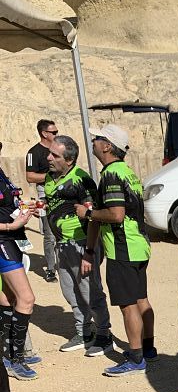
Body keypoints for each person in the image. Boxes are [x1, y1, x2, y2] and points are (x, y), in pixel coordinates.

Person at [77, 124, 155, 377]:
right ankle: (147, 348)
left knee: (127, 304)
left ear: (108, 146)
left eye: (97, 139)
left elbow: (115, 214)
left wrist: (87, 212)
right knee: (141, 298)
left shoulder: (111, 174)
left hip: (123, 247)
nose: (94, 142)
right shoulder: (126, 171)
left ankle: (135, 358)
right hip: (138, 245)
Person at [44, 135, 112, 355]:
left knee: (90, 290)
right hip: (62, 244)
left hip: (81, 243)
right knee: (70, 290)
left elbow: (93, 217)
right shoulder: (49, 177)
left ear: (69, 160)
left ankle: (104, 334)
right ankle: (84, 332)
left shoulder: (81, 179)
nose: (49, 157)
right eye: (50, 153)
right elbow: (55, 203)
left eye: (55, 155)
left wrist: (89, 253)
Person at [0, 159, 37, 381]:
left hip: (13, 239)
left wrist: (23, 209)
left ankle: (8, 355)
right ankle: (16, 358)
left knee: (8, 298)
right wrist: (9, 226)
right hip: (3, 240)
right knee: (27, 299)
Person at [25, 118, 59, 281]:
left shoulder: (59, 148)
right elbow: (30, 177)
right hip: (44, 195)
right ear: (44, 133)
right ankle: (51, 269)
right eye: (53, 132)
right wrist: (51, 177)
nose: (56, 134)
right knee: (49, 234)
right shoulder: (33, 152)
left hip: (62, 194)